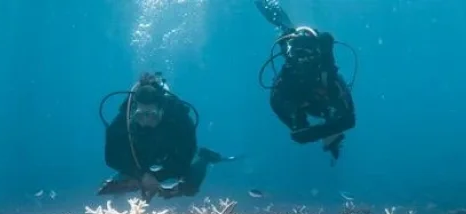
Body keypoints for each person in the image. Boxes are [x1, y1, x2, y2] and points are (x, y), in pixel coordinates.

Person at [97, 72, 234, 200]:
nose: (145, 121)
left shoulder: (179, 119)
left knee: (189, 189)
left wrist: (157, 177)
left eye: (151, 115)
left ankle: (204, 156)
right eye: (140, 115)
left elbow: (184, 158)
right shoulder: (124, 118)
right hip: (142, 158)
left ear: (161, 109)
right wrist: (142, 176)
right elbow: (111, 157)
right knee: (115, 187)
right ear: (134, 109)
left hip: (172, 156)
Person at [254, 0, 356, 164]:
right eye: (299, 55)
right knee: (284, 26)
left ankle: (332, 138)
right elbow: (347, 119)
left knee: (284, 26)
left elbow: (349, 119)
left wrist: (309, 132)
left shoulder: (328, 77)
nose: (303, 62)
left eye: (307, 55)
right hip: (307, 103)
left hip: (320, 103)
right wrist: (301, 129)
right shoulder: (286, 88)